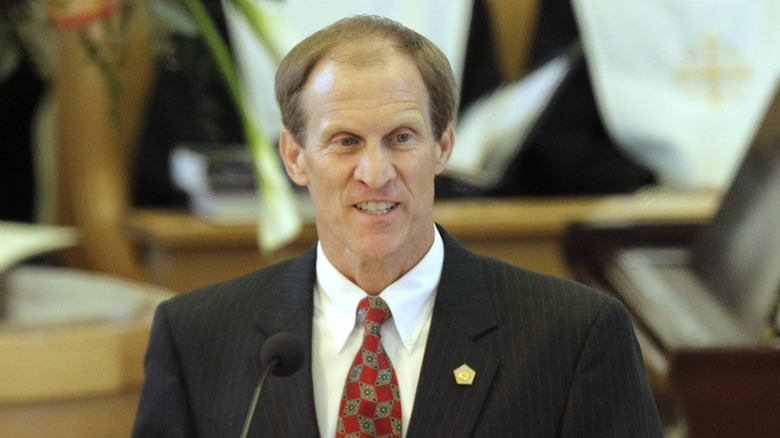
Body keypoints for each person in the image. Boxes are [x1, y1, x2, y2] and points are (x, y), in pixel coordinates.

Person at [132, 15, 663, 437]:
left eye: (401, 138)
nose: (375, 173)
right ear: (295, 158)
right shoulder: (197, 339)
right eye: (345, 142)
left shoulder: (572, 337)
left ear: (444, 147)